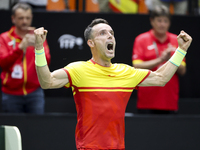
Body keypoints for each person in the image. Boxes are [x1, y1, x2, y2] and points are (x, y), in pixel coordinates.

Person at [34, 18, 192, 149]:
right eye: (103, 33)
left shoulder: (126, 72)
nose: (110, 36)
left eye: (111, 33)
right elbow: (47, 81)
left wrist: (181, 50)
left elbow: (161, 77)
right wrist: (39, 49)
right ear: (91, 43)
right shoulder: (78, 69)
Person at [132, 5, 186, 114]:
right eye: (159, 20)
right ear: (152, 21)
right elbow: (136, 67)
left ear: (169, 23)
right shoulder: (141, 39)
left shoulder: (176, 40)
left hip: (169, 101)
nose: (162, 24)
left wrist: (172, 57)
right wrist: (161, 59)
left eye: (165, 21)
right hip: (146, 100)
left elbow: (183, 70)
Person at [0, 3, 51, 114]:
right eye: (21, 18)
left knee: (36, 128)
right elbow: (2, 63)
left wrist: (38, 46)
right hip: (11, 94)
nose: (24, 21)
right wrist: (20, 48)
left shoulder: (38, 37)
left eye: (27, 18)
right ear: (13, 19)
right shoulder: (4, 38)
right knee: (13, 128)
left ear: (31, 18)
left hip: (34, 92)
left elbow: (47, 61)